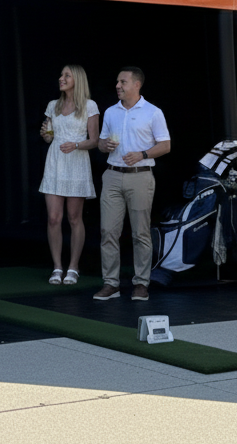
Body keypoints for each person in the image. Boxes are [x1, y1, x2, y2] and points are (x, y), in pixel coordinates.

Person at [94, 67, 171, 301]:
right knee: (108, 231)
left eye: (123, 81)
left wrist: (143, 154)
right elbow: (100, 142)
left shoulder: (153, 112)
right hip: (113, 174)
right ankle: (111, 283)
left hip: (140, 175)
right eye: (117, 81)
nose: (118, 85)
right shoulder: (110, 112)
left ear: (137, 85)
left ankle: (141, 283)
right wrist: (103, 145)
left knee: (140, 232)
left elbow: (165, 145)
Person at [38, 65, 100, 286]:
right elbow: (49, 136)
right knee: (54, 218)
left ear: (77, 80)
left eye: (66, 75)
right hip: (55, 163)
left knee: (74, 218)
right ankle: (57, 267)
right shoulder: (53, 105)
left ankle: (73, 267)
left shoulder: (89, 105)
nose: (61, 78)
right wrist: (46, 135)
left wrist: (75, 144)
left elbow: (95, 140)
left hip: (76, 162)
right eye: (61, 74)